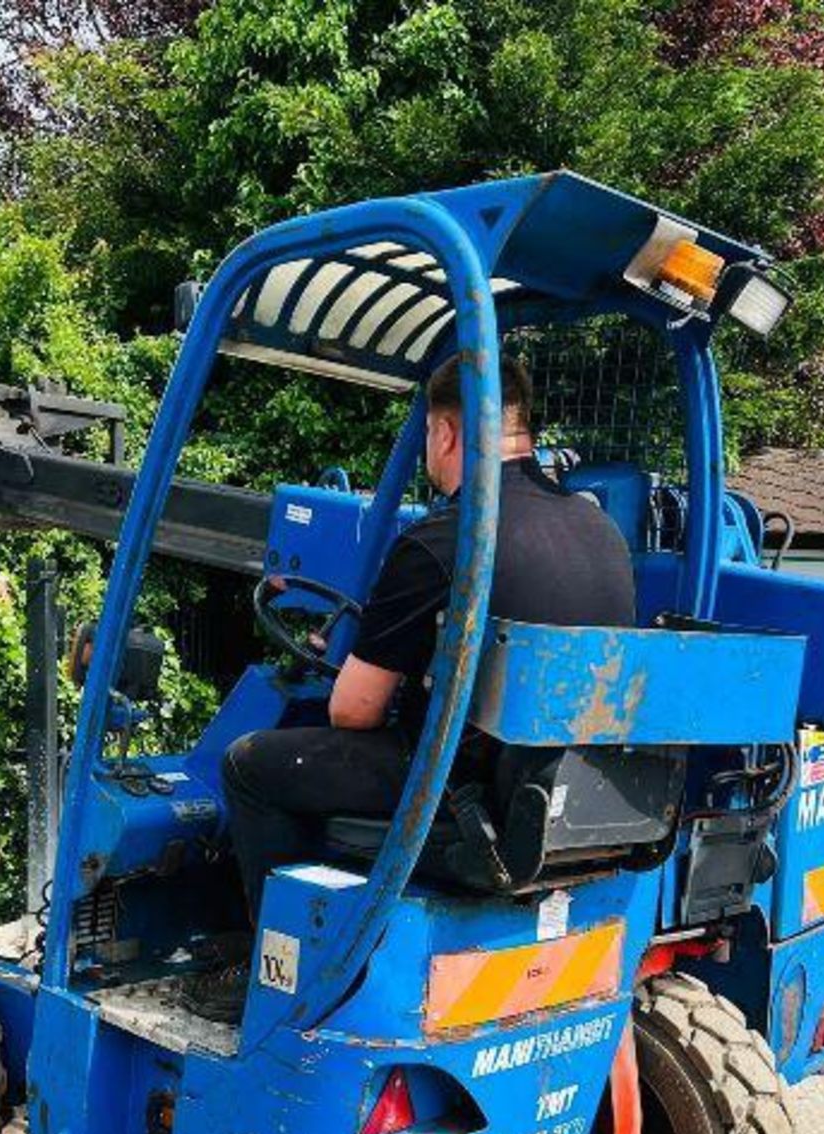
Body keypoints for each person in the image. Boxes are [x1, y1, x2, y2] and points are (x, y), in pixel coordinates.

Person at [217, 351, 638, 933]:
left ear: (445, 431)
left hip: (472, 795)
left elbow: (353, 709)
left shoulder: (446, 539)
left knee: (250, 765)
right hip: (579, 788)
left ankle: (289, 964)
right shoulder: (603, 532)